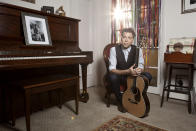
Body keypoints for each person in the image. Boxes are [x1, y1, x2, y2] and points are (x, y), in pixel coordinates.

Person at [108, 28, 151, 113]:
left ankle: (137, 96)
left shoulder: (138, 50)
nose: (126, 40)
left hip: (132, 76)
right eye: (124, 37)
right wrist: (127, 71)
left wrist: (139, 70)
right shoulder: (114, 49)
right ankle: (120, 102)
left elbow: (141, 65)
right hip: (120, 76)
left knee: (148, 76)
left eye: (129, 38)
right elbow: (112, 69)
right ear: (121, 38)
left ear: (132, 40)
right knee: (112, 77)